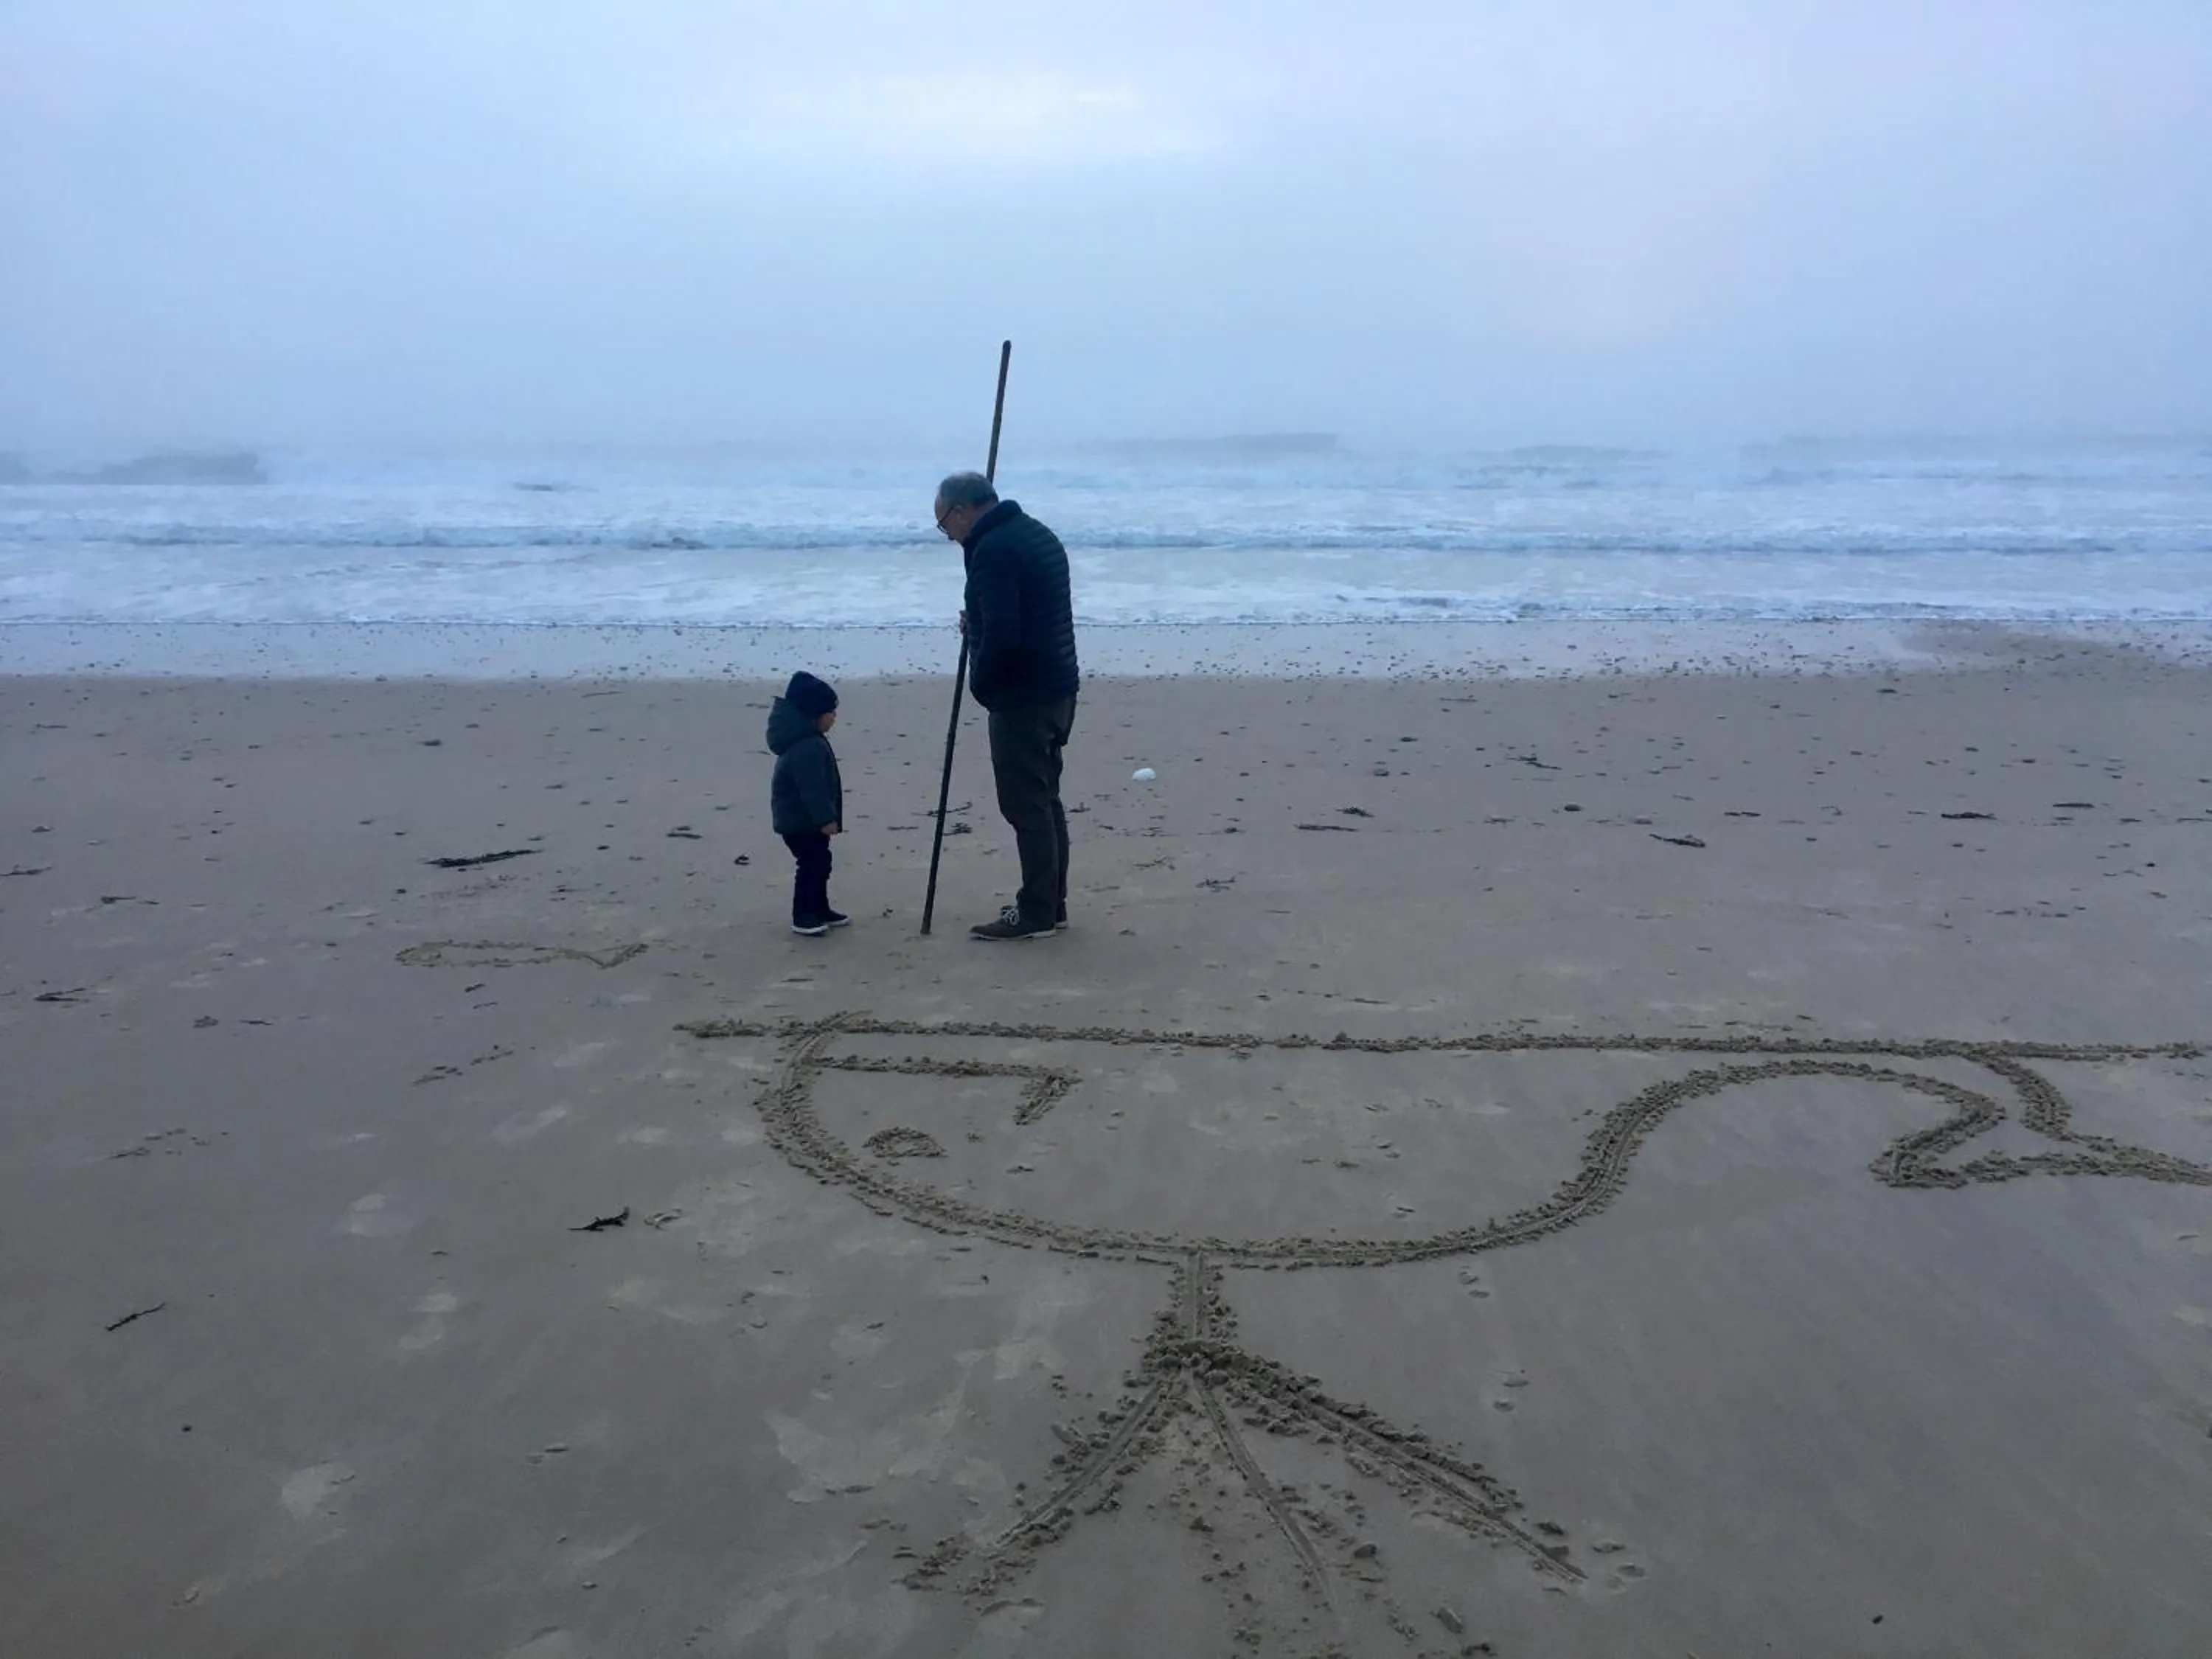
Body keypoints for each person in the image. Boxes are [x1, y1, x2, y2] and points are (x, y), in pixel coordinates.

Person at [934, 470, 1080, 942]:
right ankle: (1050, 903)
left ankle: (1036, 911)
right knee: (1044, 798)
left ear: (961, 510)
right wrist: (977, 615)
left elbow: (1003, 635)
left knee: (1025, 805)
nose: (949, 535)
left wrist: (983, 685)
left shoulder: (994, 551)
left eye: (944, 525)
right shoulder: (1035, 533)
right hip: (1058, 686)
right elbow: (1026, 609)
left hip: (1023, 693)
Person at [765, 670, 848, 936]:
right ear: (814, 714)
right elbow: (811, 790)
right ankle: (803, 915)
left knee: (820, 862)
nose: (834, 718)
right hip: (800, 822)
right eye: (830, 713)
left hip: (803, 820)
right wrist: (826, 819)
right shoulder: (806, 747)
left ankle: (820, 908)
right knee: (812, 865)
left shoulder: (808, 740)